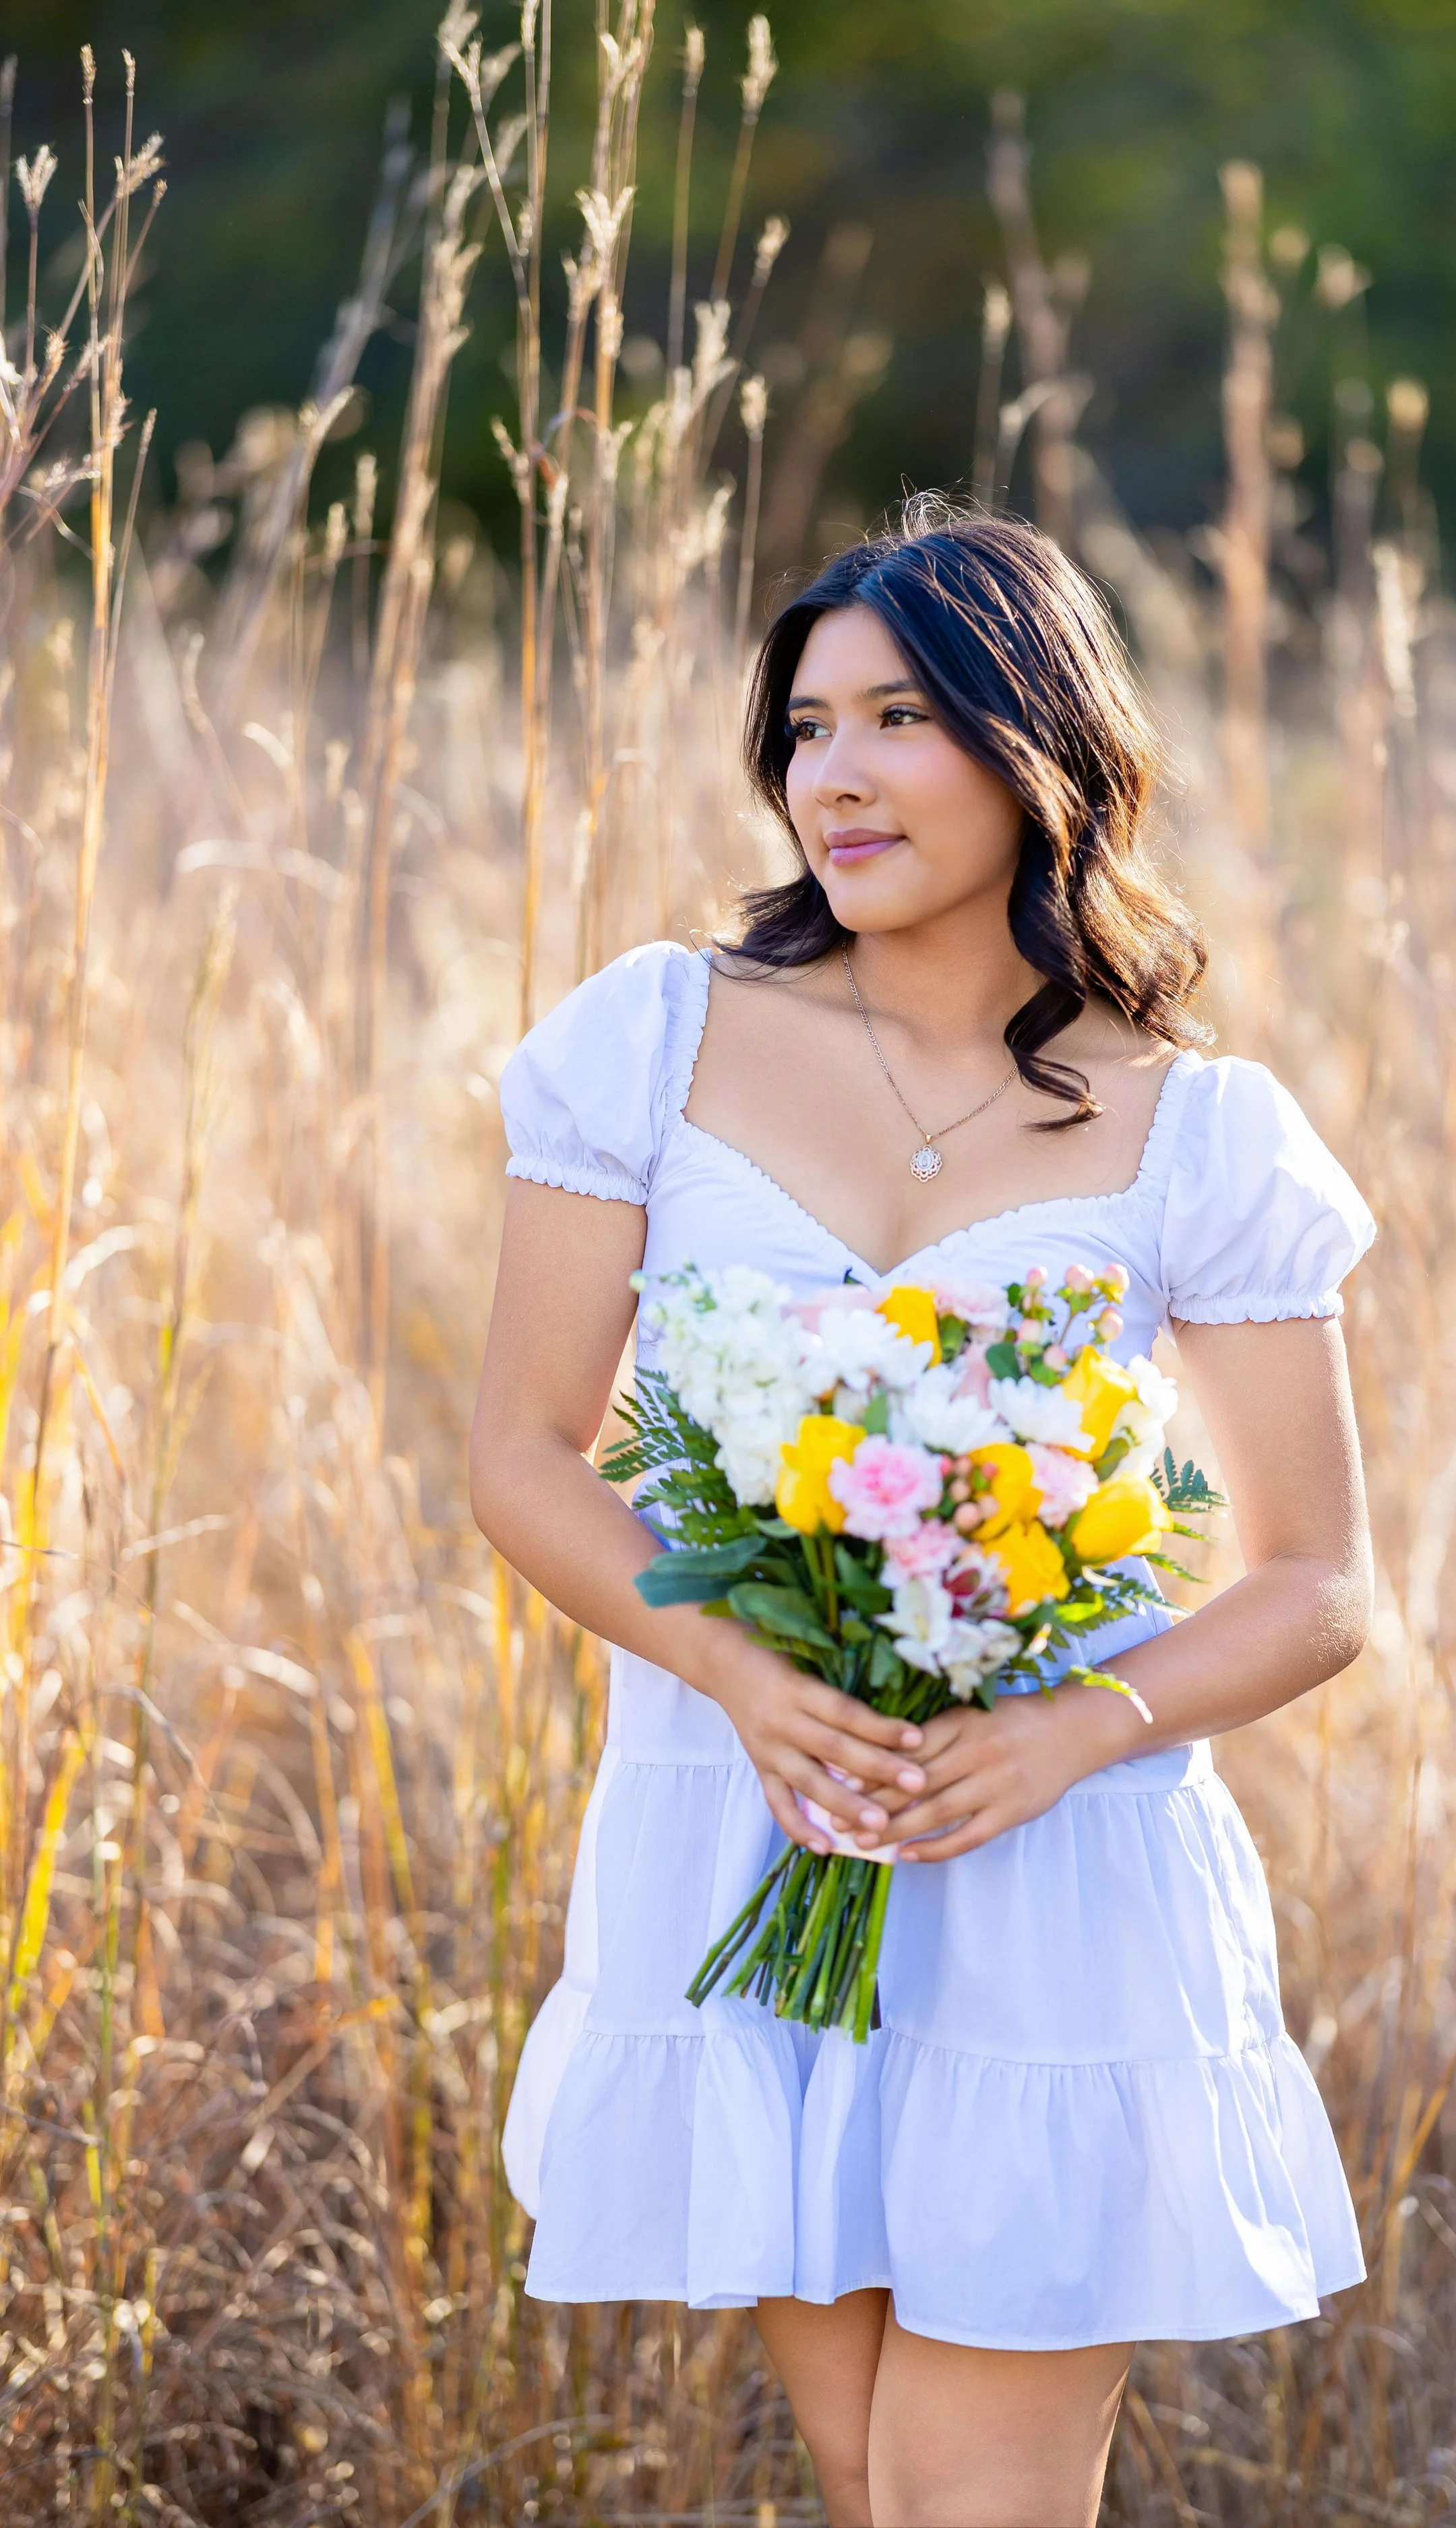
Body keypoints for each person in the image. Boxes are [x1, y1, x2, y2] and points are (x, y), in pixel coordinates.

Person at [470, 504, 1376, 2528]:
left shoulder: (1197, 1128)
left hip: (1055, 1873)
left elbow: (1320, 1581)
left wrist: (1067, 1726)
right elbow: (524, 1453)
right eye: (803, 729)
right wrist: (742, 1671)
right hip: (745, 1833)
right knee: (877, 2482)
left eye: (899, 717)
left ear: (1036, 740)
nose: (837, 775)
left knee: (971, 2494)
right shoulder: (653, 1038)